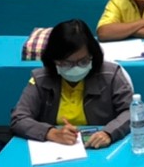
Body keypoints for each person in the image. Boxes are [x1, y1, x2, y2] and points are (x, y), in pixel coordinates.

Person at [11, 19, 134, 148]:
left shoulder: (111, 75)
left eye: (83, 61)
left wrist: (108, 133)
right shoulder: (41, 79)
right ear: (53, 60)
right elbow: (19, 118)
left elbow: (131, 111)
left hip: (100, 147)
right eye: (66, 63)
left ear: (92, 55)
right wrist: (51, 133)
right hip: (56, 149)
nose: (75, 68)